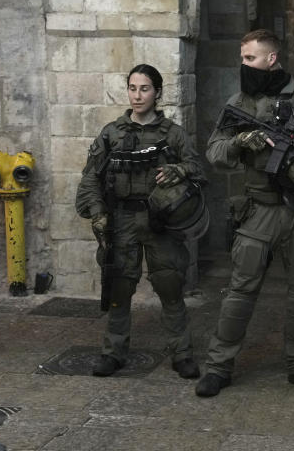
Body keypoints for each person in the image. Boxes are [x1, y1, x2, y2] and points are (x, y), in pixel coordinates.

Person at [195, 29, 294, 397]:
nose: (244, 65)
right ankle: (218, 367)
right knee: (239, 292)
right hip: (259, 210)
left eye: (249, 58)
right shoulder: (241, 102)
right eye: (242, 58)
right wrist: (240, 142)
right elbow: (214, 152)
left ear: (271, 58)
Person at [75, 64, 205, 380]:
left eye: (144, 88)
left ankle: (182, 354)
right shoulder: (111, 133)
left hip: (161, 220)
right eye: (132, 88)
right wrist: (98, 212)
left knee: (170, 286)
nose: (137, 95)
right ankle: (113, 353)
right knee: (119, 286)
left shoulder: (173, 134)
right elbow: (91, 177)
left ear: (157, 92)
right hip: (121, 220)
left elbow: (199, 171)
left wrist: (180, 171)